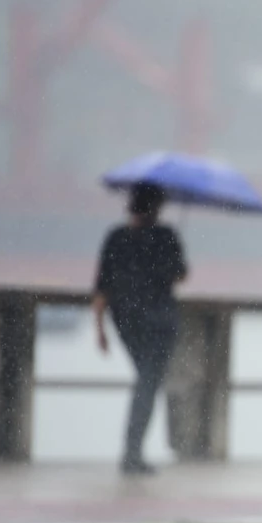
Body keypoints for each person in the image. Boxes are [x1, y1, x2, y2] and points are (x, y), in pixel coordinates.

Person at [93, 182, 188, 476]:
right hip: (160, 322)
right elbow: (180, 275)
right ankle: (132, 452)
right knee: (148, 383)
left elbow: (102, 286)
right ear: (158, 207)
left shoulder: (116, 237)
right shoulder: (166, 236)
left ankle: (132, 451)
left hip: (126, 321)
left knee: (145, 381)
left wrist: (100, 329)